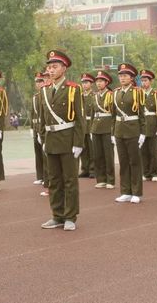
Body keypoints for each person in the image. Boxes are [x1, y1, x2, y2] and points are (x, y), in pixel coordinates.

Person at [38, 50, 84, 231]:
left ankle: (70, 216)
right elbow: (42, 119)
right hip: (51, 140)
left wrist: (78, 143)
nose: (51, 70)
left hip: (68, 140)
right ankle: (57, 215)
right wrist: (42, 138)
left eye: (54, 67)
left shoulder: (73, 89)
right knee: (54, 180)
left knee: (70, 180)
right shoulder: (44, 90)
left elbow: (80, 119)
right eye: (49, 67)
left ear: (64, 68)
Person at [112, 63, 146, 204]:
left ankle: (136, 192)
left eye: (125, 75)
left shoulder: (138, 92)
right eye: (120, 75)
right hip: (120, 130)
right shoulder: (116, 92)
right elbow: (114, 114)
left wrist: (142, 133)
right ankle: (125, 191)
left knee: (134, 162)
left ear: (132, 78)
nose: (122, 78)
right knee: (123, 162)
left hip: (133, 130)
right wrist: (113, 132)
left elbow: (142, 115)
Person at [91, 70, 116, 189]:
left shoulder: (111, 95)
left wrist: (113, 131)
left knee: (108, 155)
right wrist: (91, 129)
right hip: (96, 128)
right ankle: (101, 179)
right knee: (97, 155)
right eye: (97, 81)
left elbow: (114, 114)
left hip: (107, 128)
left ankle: (110, 179)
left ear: (106, 82)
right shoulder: (95, 96)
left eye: (101, 81)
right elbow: (92, 114)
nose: (98, 83)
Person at [139, 69, 157, 182]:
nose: (143, 83)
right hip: (142, 127)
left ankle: (154, 173)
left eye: (146, 80)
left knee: (153, 151)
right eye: (142, 81)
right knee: (143, 151)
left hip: (153, 125)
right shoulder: (138, 94)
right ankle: (145, 172)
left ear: (150, 81)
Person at [78, 73, 96, 178]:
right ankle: (85, 169)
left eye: (86, 83)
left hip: (91, 123)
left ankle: (93, 169)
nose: (84, 85)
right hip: (82, 125)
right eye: (83, 83)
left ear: (91, 84)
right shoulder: (80, 96)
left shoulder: (94, 96)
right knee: (83, 148)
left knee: (92, 148)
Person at [31, 71, 46, 188]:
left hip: (43, 127)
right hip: (36, 127)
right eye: (37, 81)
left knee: (44, 153)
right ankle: (40, 176)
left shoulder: (45, 95)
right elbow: (32, 113)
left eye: (40, 81)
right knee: (38, 153)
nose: (38, 84)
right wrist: (32, 128)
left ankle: (46, 177)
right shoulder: (35, 97)